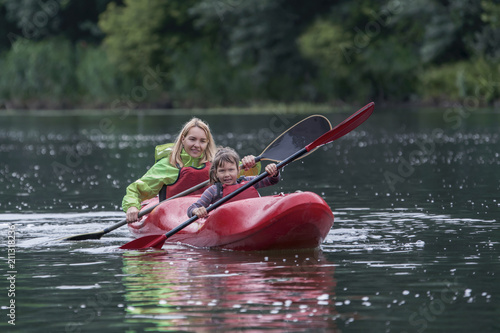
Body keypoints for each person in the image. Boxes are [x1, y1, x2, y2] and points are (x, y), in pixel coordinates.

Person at [122, 117, 217, 222]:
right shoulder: (167, 165)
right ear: (183, 139)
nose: (197, 145)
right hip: (174, 218)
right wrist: (132, 206)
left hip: (208, 214)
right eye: (192, 139)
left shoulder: (217, 165)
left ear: (207, 143)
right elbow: (135, 190)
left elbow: (237, 172)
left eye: (202, 141)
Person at [187, 147, 280, 219]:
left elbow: (271, 180)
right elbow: (192, 209)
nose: (227, 174)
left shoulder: (248, 181)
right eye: (222, 171)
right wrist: (196, 211)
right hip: (228, 225)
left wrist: (273, 172)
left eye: (231, 170)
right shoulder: (213, 191)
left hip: (253, 218)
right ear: (216, 173)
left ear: (238, 170)